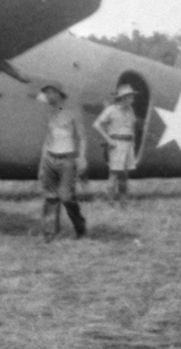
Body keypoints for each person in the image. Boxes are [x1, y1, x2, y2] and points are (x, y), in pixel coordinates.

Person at [38, 82, 88, 241]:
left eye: (51, 92)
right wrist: (42, 164)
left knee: (66, 197)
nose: (48, 96)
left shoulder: (73, 112)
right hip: (50, 158)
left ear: (60, 94)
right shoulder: (51, 114)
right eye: (46, 93)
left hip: (67, 159)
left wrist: (82, 157)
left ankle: (80, 225)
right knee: (50, 197)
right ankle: (50, 233)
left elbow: (82, 137)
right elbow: (47, 140)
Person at [93, 85, 139, 205]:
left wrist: (133, 141)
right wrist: (108, 140)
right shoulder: (111, 109)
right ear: (123, 98)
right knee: (114, 173)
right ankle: (110, 199)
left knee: (124, 173)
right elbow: (97, 124)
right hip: (116, 144)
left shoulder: (130, 110)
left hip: (128, 143)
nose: (132, 99)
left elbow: (132, 125)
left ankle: (123, 199)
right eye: (130, 97)